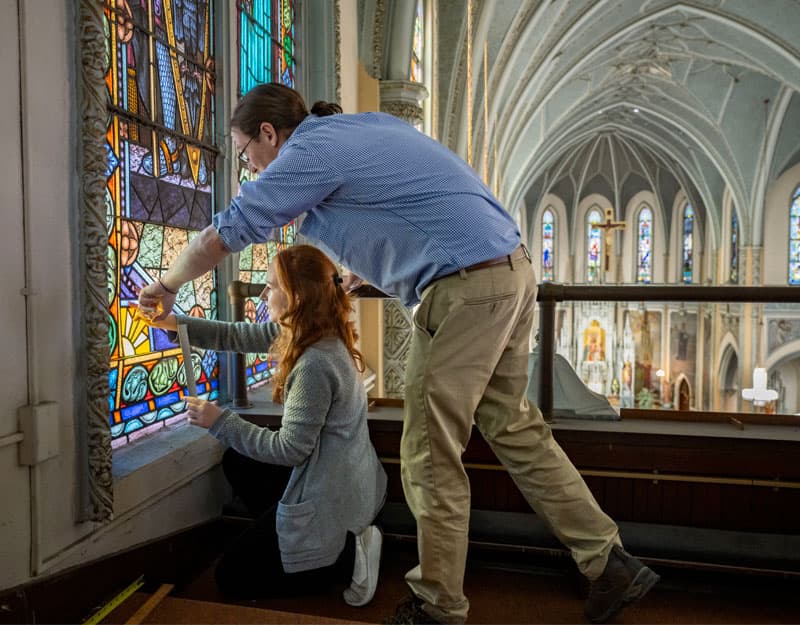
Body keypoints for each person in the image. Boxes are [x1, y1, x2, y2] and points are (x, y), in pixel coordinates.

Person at [138, 82, 658, 624]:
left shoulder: (306, 151)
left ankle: (438, 605)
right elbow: (408, 203)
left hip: (464, 289)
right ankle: (608, 559)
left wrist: (169, 284)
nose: (250, 167)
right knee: (515, 428)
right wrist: (369, 269)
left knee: (430, 451)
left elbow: (228, 231)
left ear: (269, 134)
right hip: (512, 271)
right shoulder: (362, 127)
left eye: (246, 153)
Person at [145, 244, 387, 605]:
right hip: (347, 479)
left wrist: (219, 420)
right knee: (238, 462)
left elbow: (290, 450)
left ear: (297, 296)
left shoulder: (314, 364)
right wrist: (174, 323)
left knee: (232, 578)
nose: (263, 293)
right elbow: (235, 336)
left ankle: (347, 556)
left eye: (271, 286)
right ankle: (293, 536)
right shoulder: (313, 331)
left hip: (333, 499)